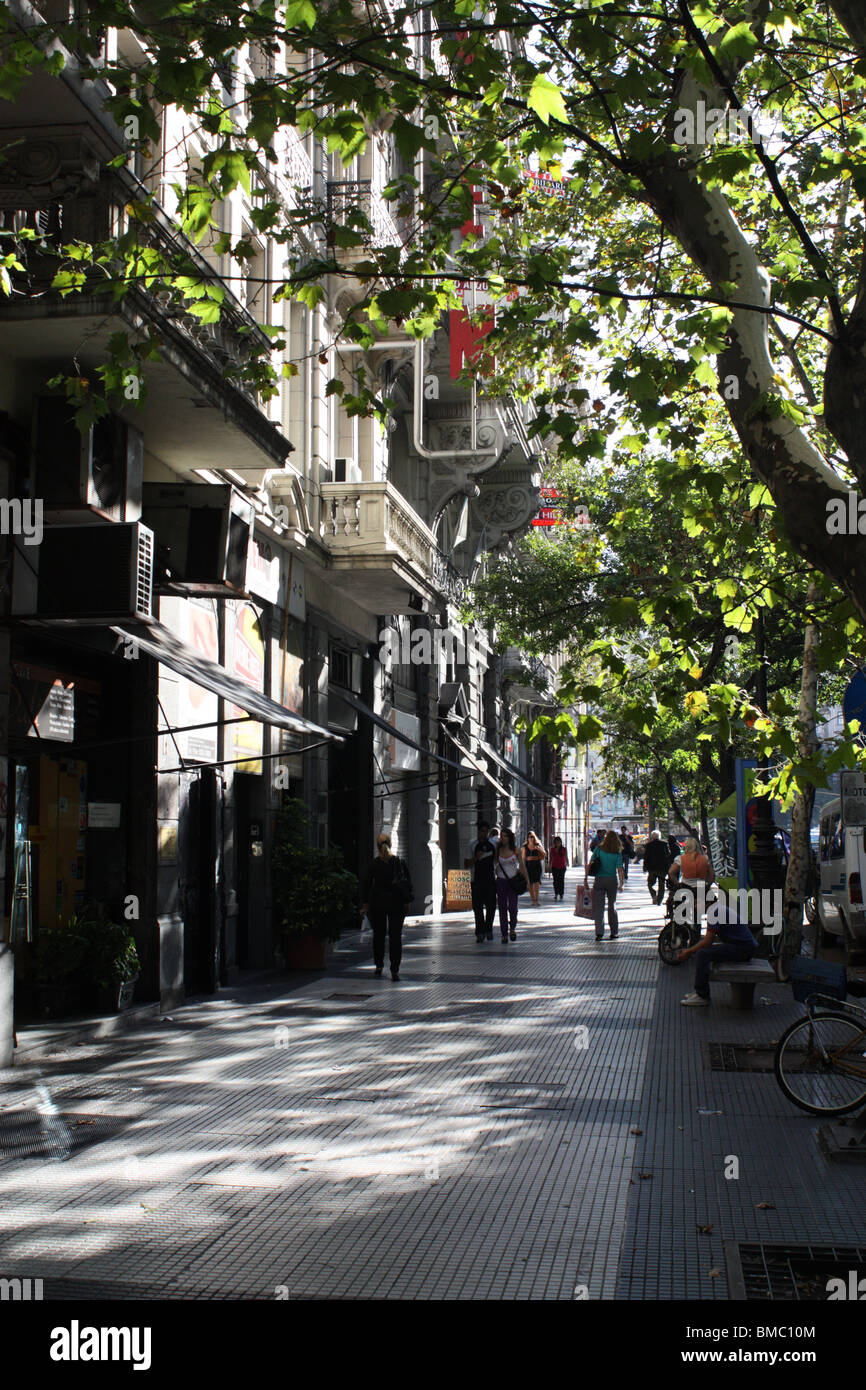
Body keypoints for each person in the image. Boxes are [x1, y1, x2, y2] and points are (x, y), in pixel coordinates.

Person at [678, 892, 757, 1005]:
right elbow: (709, 940)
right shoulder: (717, 908)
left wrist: (688, 952)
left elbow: (707, 941)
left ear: (708, 902)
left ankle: (702, 995)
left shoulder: (715, 912)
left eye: (697, 903)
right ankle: (700, 991)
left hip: (743, 949)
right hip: (742, 947)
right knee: (704, 952)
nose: (695, 906)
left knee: (702, 954)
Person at [360, 832, 413, 981]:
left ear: (377, 847)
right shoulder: (399, 862)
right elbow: (408, 883)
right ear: (390, 844)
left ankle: (378, 965)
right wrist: (407, 901)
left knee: (379, 935)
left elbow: (366, 885)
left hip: (378, 903)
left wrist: (365, 903)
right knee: (395, 936)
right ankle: (395, 969)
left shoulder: (374, 864)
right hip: (396, 903)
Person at [667, 836, 714, 927]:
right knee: (702, 912)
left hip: (686, 887)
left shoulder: (680, 858)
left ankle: (684, 927)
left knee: (681, 909)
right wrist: (707, 884)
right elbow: (712, 875)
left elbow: (671, 872)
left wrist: (677, 883)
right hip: (701, 888)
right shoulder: (705, 859)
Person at [592, 830, 624, 940]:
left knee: (599, 907)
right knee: (612, 906)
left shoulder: (599, 849)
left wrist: (585, 879)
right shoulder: (617, 852)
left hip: (599, 879)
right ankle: (614, 932)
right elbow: (620, 869)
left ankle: (599, 933)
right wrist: (621, 883)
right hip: (611, 880)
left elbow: (591, 863)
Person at [469, 821, 498, 942]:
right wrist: (476, 858)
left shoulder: (493, 844)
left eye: (486, 831)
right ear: (478, 831)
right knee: (477, 907)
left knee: (491, 906)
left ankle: (488, 929)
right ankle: (479, 932)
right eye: (482, 831)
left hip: (491, 879)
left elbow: (497, 860)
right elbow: (466, 863)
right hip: (476, 880)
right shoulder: (472, 844)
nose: (484, 834)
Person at [494, 828, 525, 942]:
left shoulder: (516, 850)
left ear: (510, 837)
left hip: (513, 881)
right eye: (501, 836)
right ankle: (504, 934)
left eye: (505, 836)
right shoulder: (498, 850)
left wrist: (527, 880)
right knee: (502, 907)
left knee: (513, 907)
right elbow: (494, 864)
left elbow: (522, 866)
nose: (503, 838)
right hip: (501, 881)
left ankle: (512, 928)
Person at [642, 830, 671, 905]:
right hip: (662, 868)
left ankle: (654, 895)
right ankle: (659, 900)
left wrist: (645, 867)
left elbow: (646, 857)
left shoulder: (648, 845)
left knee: (650, 883)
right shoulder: (664, 844)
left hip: (652, 868)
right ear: (659, 836)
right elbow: (668, 856)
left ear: (652, 837)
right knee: (661, 885)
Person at [522, 830, 547, 905]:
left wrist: (539, 849)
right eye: (529, 837)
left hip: (536, 865)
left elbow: (544, 854)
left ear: (534, 837)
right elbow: (523, 857)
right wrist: (522, 867)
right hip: (528, 866)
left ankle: (537, 899)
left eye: (532, 836)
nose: (530, 838)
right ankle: (533, 899)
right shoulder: (525, 846)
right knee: (529, 883)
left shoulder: (538, 845)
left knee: (536, 883)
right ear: (527, 838)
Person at [549, 835, 568, 900]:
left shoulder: (564, 849)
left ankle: (561, 894)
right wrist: (549, 865)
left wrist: (566, 863)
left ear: (561, 842)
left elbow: (566, 856)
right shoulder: (552, 849)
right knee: (555, 881)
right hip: (554, 867)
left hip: (562, 867)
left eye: (559, 842)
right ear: (555, 843)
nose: (558, 843)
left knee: (561, 880)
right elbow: (551, 858)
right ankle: (556, 893)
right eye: (556, 842)